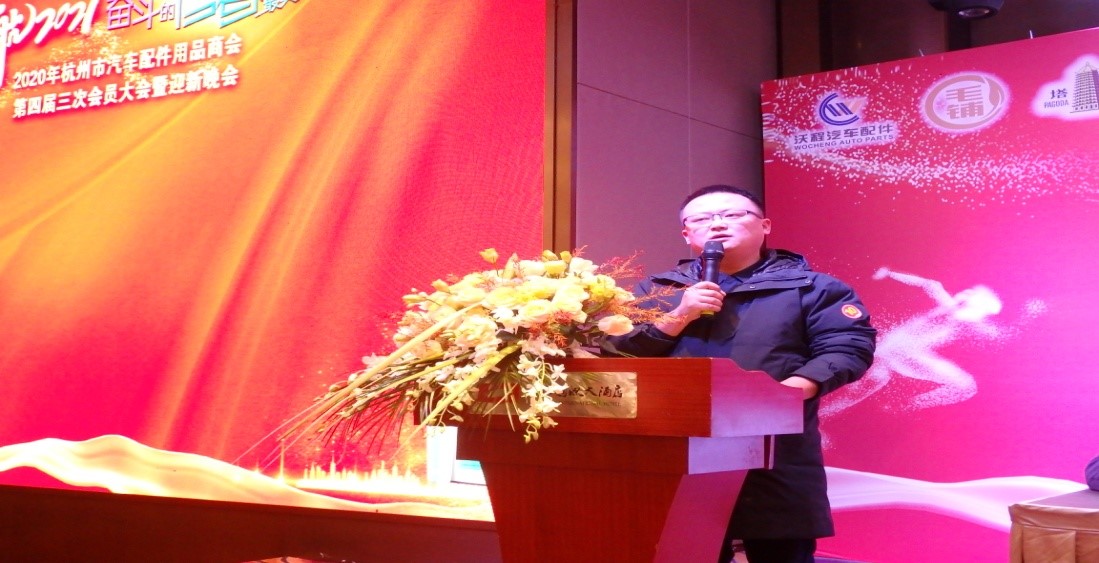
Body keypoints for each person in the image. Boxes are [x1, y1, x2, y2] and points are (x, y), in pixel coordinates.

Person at [605, 185, 877, 563]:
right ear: (687, 234)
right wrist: (678, 315)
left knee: (781, 552)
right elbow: (618, 352)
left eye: (732, 215)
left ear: (765, 226)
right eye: (702, 219)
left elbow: (847, 347)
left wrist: (784, 395)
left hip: (774, 446)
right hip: (678, 451)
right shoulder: (657, 291)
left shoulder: (814, 287)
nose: (717, 224)